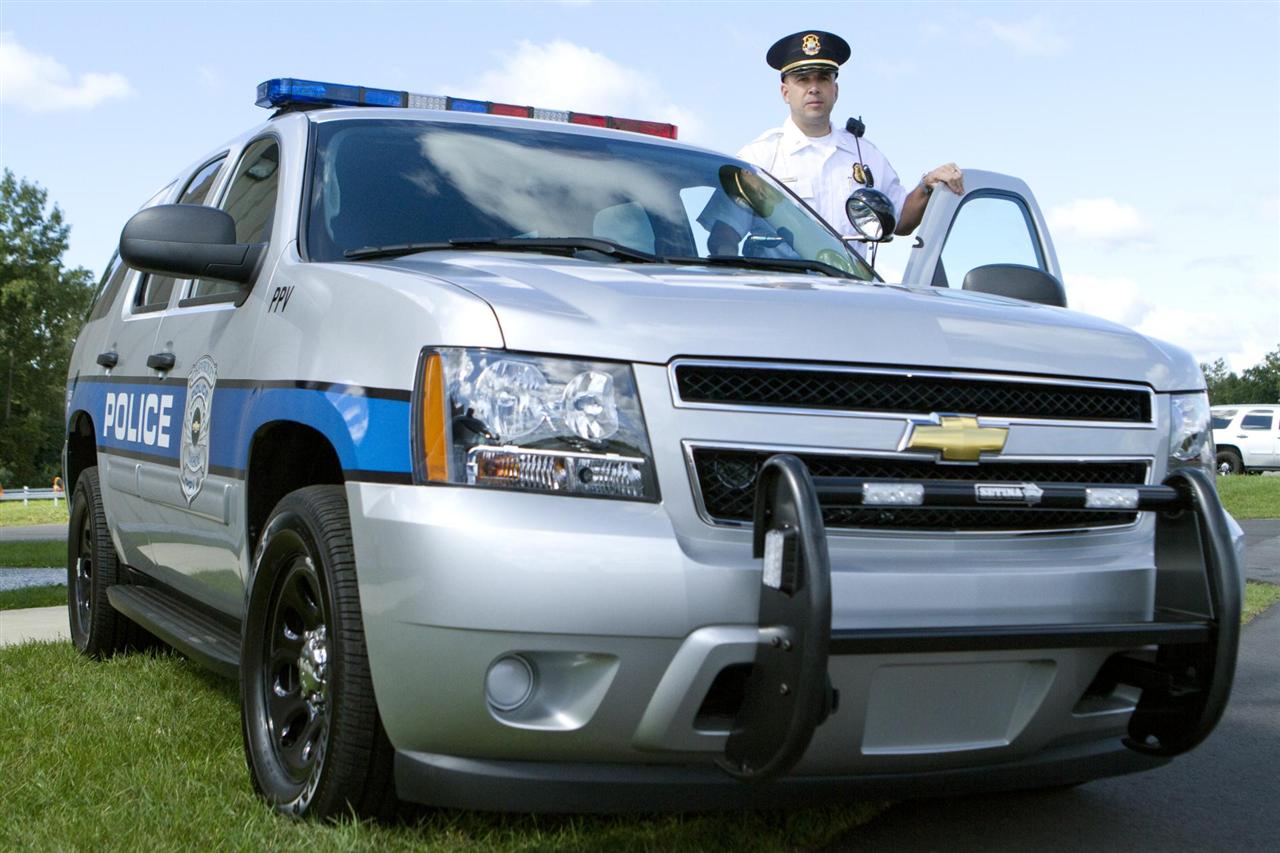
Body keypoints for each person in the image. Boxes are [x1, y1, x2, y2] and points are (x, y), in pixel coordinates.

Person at [701, 30, 964, 257]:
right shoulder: (760, 157)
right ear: (785, 92)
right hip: (779, 299)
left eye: (822, 78)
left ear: (835, 90)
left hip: (848, 295)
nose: (813, 88)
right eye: (803, 79)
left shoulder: (865, 155)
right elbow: (724, 236)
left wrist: (927, 186)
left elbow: (900, 222)